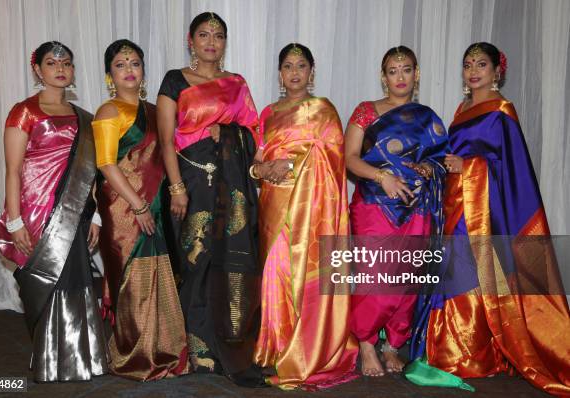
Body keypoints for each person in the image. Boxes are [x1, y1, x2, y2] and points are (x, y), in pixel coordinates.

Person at [409, 42, 570, 395]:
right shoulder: (462, 108)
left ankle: (469, 354)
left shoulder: (501, 110)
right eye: (468, 64)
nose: (473, 71)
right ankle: (462, 349)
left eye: (481, 64)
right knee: (457, 273)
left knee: (468, 274)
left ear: (498, 70)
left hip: (483, 205)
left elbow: (511, 168)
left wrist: (469, 167)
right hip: (456, 202)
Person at [156, 12, 263, 386]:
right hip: (191, 182)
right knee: (196, 262)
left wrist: (229, 132)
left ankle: (229, 344)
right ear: (191, 40)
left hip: (231, 187)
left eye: (218, 35)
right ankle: (198, 347)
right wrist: (176, 188)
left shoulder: (236, 84)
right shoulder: (175, 80)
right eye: (204, 34)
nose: (211, 41)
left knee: (229, 264)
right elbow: (166, 140)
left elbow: (254, 134)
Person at [0, 41, 107, 382]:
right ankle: (50, 359)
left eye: (67, 63)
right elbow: (13, 170)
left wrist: (98, 215)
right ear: (38, 70)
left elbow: (93, 174)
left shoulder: (83, 118)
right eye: (51, 62)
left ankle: (81, 359)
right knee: (46, 283)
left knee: (76, 279)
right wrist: (14, 222)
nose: (61, 68)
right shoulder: (24, 111)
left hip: (76, 211)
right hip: (36, 212)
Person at [252, 43, 359, 390]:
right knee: (277, 273)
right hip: (274, 204)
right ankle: (278, 347)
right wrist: (263, 169)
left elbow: (333, 156)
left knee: (304, 275)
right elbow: (254, 163)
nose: (294, 72)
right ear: (279, 73)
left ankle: (308, 350)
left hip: (311, 208)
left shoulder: (323, 110)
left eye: (301, 66)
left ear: (312, 72)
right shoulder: (267, 112)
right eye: (287, 66)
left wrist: (294, 163)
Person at [345, 46, 447, 377]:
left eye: (406, 70)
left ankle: (393, 344)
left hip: (416, 205)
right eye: (392, 70)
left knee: (407, 279)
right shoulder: (367, 111)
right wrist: (382, 177)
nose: (399, 76)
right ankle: (366, 343)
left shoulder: (427, 116)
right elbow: (349, 158)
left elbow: (439, 158)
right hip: (375, 202)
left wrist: (429, 168)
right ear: (383, 76)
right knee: (376, 277)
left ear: (416, 74)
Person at [93, 39, 188, 381]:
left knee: (159, 279)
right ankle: (133, 357)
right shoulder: (109, 111)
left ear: (143, 70)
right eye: (120, 64)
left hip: (156, 204)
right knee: (132, 284)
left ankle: (164, 352)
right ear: (109, 75)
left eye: (135, 62)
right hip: (124, 208)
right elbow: (105, 164)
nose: (129, 69)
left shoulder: (153, 111)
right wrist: (137, 204)